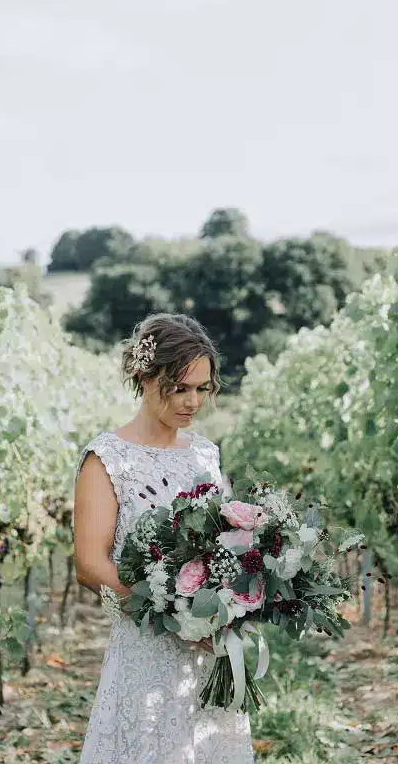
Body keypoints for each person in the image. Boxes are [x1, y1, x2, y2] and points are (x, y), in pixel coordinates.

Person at [72, 313, 254, 764]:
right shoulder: (106, 459)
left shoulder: (204, 453)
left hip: (210, 651)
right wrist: (177, 616)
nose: (192, 402)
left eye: (202, 388)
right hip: (147, 647)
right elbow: (90, 564)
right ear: (146, 376)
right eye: (180, 388)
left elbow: (226, 541)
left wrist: (229, 604)